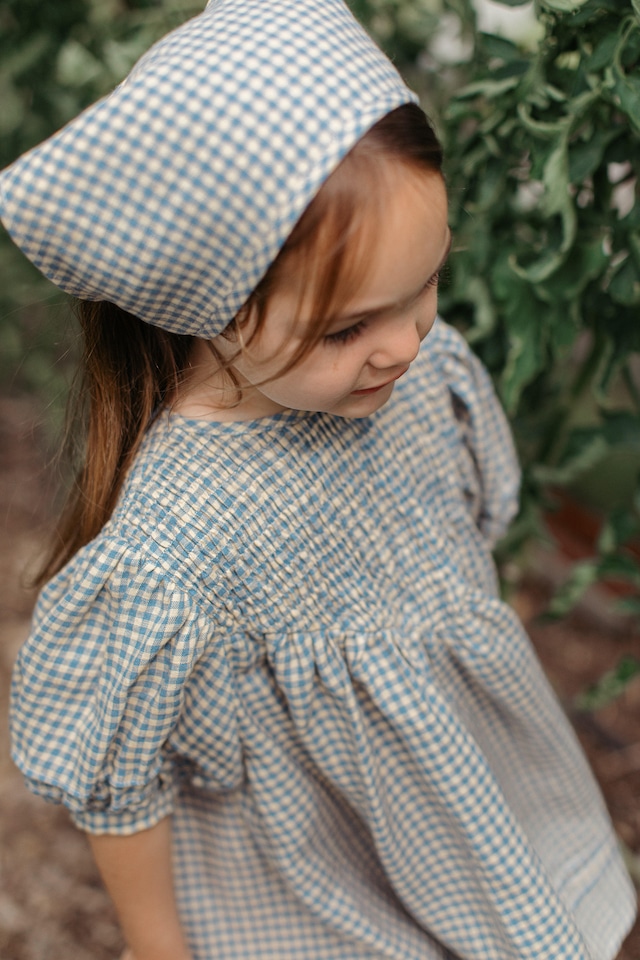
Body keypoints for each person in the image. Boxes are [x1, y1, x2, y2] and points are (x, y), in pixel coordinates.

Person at [1, 1, 636, 958]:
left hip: (471, 791)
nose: (407, 343)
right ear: (208, 307)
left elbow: (465, 540)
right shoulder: (175, 544)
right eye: (349, 328)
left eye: (426, 284)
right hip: (317, 881)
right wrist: (159, 945)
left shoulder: (419, 375)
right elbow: (118, 781)